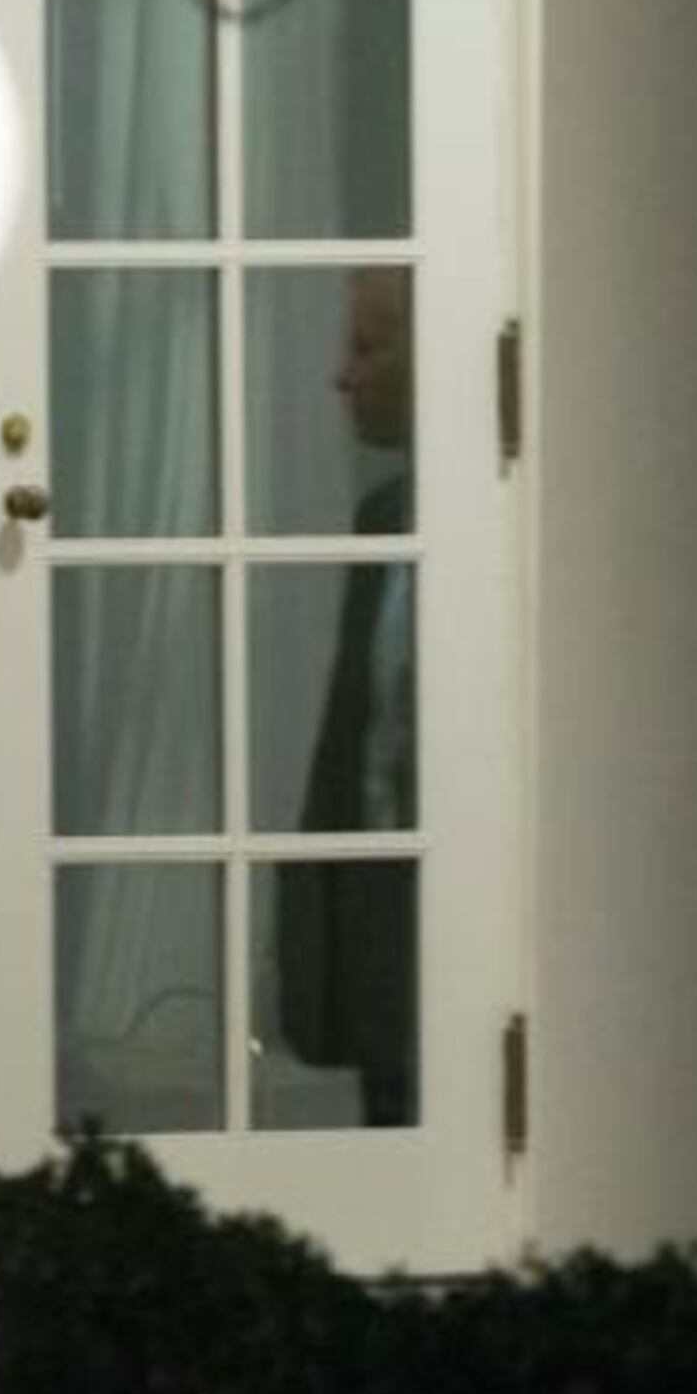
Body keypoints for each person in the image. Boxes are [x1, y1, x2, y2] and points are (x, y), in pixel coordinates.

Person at [273, 266, 420, 1127]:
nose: (340, 373)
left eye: (368, 345)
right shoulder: (383, 518)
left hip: (456, 934)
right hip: (378, 943)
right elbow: (350, 747)